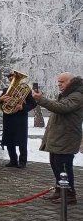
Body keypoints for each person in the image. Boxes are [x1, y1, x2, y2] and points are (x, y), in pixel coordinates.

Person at [33, 72, 83, 205]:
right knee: (56, 164)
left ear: (71, 82)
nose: (59, 84)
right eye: (58, 82)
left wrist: (41, 99)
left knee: (64, 168)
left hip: (67, 137)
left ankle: (70, 195)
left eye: (62, 82)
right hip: (60, 137)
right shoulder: (68, 95)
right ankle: (60, 191)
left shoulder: (77, 96)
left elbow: (62, 108)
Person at [0, 73, 37, 168]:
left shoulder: (25, 91)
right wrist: (0, 100)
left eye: (14, 79)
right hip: (8, 118)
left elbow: (33, 104)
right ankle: (13, 160)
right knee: (9, 140)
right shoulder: (5, 91)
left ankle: (22, 161)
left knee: (22, 140)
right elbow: (0, 107)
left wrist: (22, 107)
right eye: (10, 80)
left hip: (20, 118)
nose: (12, 81)